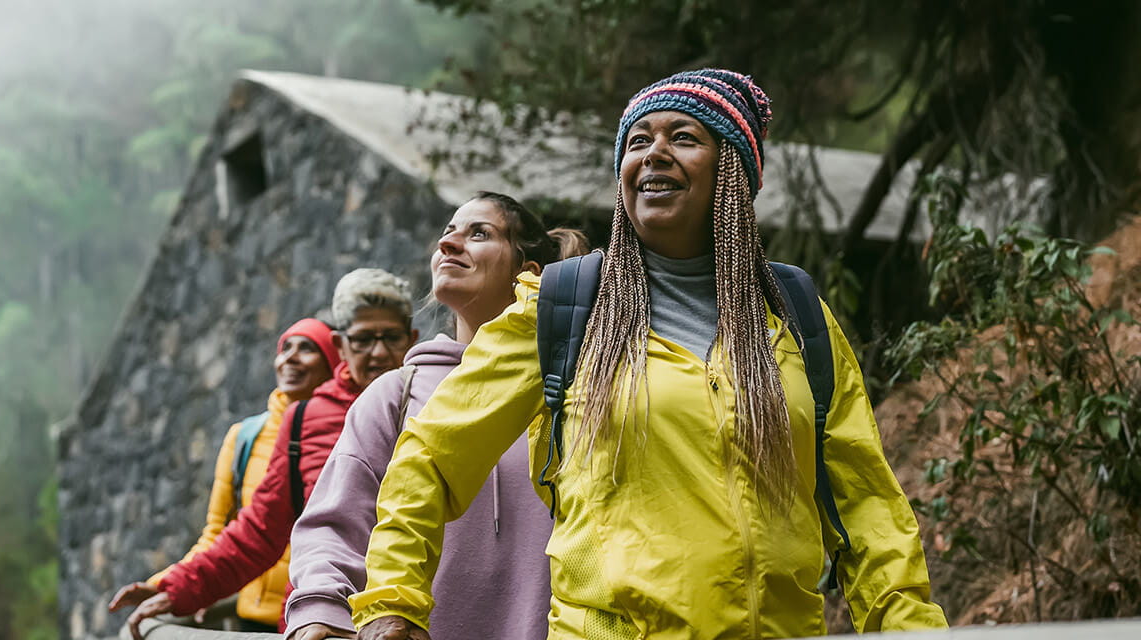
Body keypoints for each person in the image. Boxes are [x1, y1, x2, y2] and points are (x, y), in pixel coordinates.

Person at [350, 69, 950, 639]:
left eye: (682, 138)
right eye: (638, 141)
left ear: (733, 172)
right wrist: (393, 602)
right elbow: (430, 456)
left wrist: (907, 626)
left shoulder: (795, 315)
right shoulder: (564, 308)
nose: (653, 153)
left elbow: (865, 501)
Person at [286, 193, 588, 640]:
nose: (448, 245)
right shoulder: (398, 393)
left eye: (478, 233)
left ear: (529, 274)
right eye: (447, 233)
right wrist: (320, 606)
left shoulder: (574, 388)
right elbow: (336, 522)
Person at [116, 268, 419, 639]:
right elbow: (259, 531)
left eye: (391, 337)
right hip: (322, 621)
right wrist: (177, 589)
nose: (379, 352)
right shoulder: (305, 420)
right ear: (340, 347)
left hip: (415, 617)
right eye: (363, 340)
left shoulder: (435, 403)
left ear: (412, 338)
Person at [107, 317, 339, 631]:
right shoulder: (244, 437)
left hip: (313, 618)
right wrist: (168, 585)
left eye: (307, 348)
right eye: (285, 348)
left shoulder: (351, 429)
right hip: (250, 620)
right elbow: (221, 532)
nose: (290, 358)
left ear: (334, 360)